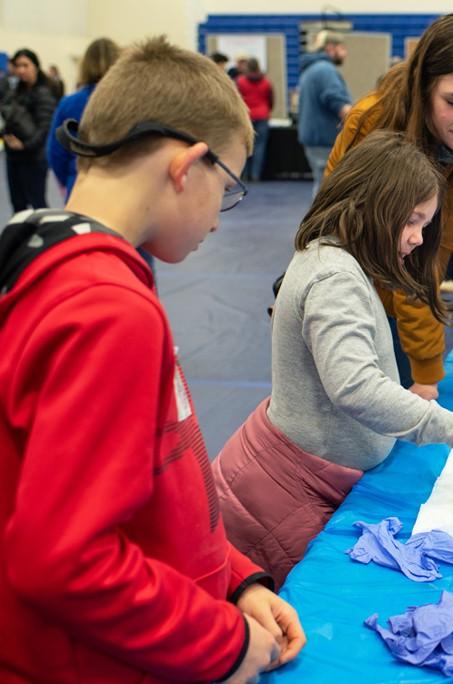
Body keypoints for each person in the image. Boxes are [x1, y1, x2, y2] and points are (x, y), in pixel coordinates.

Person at [0, 37, 305, 682]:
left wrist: (230, 580)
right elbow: (63, 560)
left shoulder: (43, 262)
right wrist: (218, 641)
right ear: (185, 166)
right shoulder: (110, 312)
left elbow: (148, 497)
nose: (219, 223)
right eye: (226, 189)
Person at [213, 130, 453, 587]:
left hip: (303, 475)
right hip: (287, 490)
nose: (415, 238)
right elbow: (355, 387)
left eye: (424, 226)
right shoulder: (335, 276)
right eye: (411, 221)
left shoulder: (334, 259)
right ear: (372, 204)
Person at [323, 13, 453, 401]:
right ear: (424, 88)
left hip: (409, 300)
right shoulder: (376, 127)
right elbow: (402, 265)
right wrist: (427, 371)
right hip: (358, 305)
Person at [46, 37, 120, 197]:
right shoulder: (131, 104)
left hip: (80, 182)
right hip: (120, 184)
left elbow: (55, 152)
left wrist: (67, 181)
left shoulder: (69, 103)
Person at [298, 30, 352, 195]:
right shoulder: (325, 70)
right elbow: (337, 102)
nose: (345, 53)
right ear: (330, 48)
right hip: (325, 141)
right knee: (327, 192)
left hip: (315, 140)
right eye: (342, 48)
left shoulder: (311, 69)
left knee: (322, 187)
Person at [2, 48, 56, 211]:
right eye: (18, 66)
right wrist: (6, 136)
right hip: (13, 158)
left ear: (36, 67)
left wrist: (24, 145)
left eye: (25, 65)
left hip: (34, 159)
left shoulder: (44, 93)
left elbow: (45, 129)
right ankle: (20, 237)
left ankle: (45, 236)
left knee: (38, 205)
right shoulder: (14, 92)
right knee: (18, 206)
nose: (21, 70)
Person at [237, 56, 273, 181]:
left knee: (245, 146)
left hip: (246, 116)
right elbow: (271, 100)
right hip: (262, 116)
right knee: (260, 147)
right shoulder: (266, 82)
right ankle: (256, 175)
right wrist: (268, 111)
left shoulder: (241, 81)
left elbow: (237, 99)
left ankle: (244, 175)